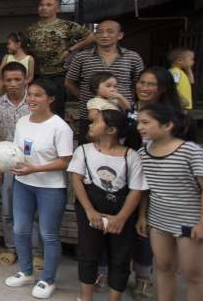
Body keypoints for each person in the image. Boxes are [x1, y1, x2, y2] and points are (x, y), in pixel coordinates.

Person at [4, 79, 74, 299]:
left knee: (48, 234)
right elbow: (17, 150)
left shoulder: (60, 127)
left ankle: (48, 279)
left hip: (50, 188)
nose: (32, 99)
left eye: (38, 95)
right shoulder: (23, 121)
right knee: (20, 229)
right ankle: (26, 272)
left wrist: (35, 168)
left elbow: (65, 161)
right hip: (23, 184)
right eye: (30, 94)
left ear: (51, 99)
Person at [69, 109, 146, 301]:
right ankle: (86, 297)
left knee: (120, 257)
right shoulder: (83, 151)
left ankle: (114, 298)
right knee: (88, 254)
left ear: (111, 130)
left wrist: (121, 218)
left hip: (122, 213)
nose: (90, 125)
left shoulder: (131, 157)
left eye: (95, 123)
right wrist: (89, 210)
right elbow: (76, 180)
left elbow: (136, 190)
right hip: (89, 209)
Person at [137, 104, 203, 301]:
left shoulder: (190, 150)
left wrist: (202, 223)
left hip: (189, 222)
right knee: (163, 268)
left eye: (146, 122)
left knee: (194, 276)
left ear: (167, 125)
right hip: (158, 221)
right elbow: (145, 190)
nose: (140, 127)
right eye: (138, 122)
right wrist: (143, 216)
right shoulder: (143, 152)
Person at [0, 62, 39, 267]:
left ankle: (36, 251)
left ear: (26, 80)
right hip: (6, 164)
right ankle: (11, 248)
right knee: (8, 209)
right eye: (8, 80)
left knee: (33, 211)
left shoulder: (34, 103)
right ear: (3, 82)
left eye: (18, 79)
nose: (13, 84)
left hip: (32, 164)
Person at [65, 19, 143, 138]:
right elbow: (69, 82)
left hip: (122, 115)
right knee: (90, 150)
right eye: (99, 32)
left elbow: (139, 84)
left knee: (122, 149)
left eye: (110, 31)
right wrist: (86, 98)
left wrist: (128, 99)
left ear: (120, 35)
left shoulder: (133, 57)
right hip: (90, 117)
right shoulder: (82, 57)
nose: (104, 35)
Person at [25, 0, 94, 117]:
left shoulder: (67, 26)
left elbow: (91, 36)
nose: (43, 7)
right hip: (38, 74)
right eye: (41, 5)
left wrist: (71, 49)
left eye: (48, 5)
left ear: (57, 9)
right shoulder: (31, 29)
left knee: (56, 108)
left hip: (58, 73)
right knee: (36, 107)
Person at [0, 32, 35, 104]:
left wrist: (20, 84)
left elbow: (30, 77)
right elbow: (0, 74)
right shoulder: (7, 57)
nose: (7, 46)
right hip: (4, 90)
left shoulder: (29, 59)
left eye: (9, 43)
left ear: (18, 45)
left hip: (22, 92)